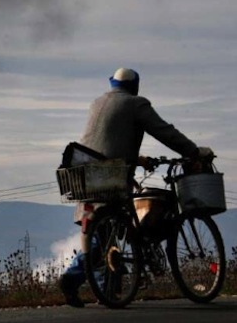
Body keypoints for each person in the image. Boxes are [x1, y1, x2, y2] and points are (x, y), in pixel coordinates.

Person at [59, 67, 214, 308]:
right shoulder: (136, 104)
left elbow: (108, 137)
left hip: (87, 172)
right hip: (111, 176)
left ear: (112, 85)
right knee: (110, 232)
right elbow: (165, 132)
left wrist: (138, 159)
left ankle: (106, 290)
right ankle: (80, 281)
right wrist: (193, 151)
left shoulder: (98, 102)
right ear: (135, 86)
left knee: (104, 234)